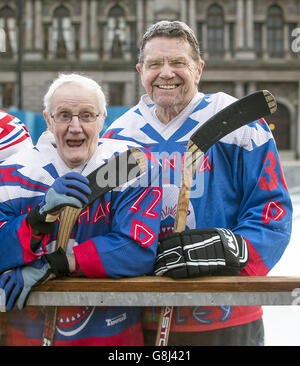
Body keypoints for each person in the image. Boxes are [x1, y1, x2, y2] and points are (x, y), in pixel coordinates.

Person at [103, 20, 293, 346]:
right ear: (140, 70)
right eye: (155, 64)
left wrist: (236, 250)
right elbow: (103, 225)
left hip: (228, 319)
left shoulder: (238, 121)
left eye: (178, 62)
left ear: (199, 68)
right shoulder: (117, 136)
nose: (166, 73)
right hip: (140, 318)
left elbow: (272, 209)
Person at [0, 73, 162, 346]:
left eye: (87, 115)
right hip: (28, 332)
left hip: (112, 335)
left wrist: (57, 263)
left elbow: (137, 249)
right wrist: (38, 218)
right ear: (48, 120)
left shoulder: (128, 164)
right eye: (63, 115)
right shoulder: (13, 170)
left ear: (102, 119)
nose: (75, 126)